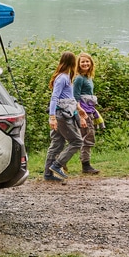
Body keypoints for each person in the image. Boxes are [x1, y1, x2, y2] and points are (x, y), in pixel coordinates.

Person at [44, 51, 85, 182]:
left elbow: (69, 97)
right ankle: (57, 165)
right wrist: (52, 117)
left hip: (63, 113)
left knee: (57, 143)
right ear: (73, 63)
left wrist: (79, 109)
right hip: (62, 115)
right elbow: (54, 97)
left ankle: (48, 174)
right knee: (77, 141)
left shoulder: (67, 77)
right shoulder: (62, 78)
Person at [74, 52, 103, 175]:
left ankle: (60, 161)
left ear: (91, 63)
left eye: (87, 61)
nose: (85, 64)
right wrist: (81, 113)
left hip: (90, 109)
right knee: (88, 136)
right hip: (83, 112)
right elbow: (75, 97)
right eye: (82, 62)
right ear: (78, 64)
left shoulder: (88, 77)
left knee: (84, 136)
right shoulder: (79, 78)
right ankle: (86, 165)